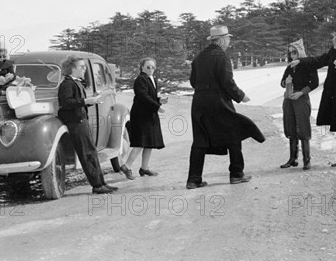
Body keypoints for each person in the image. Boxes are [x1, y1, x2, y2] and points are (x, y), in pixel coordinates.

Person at [186, 25, 266, 189]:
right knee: (233, 134)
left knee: (200, 140)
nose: (229, 41)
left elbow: (193, 82)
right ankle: (236, 174)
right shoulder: (222, 56)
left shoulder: (199, 57)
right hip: (218, 101)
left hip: (199, 102)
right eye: (228, 38)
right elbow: (227, 82)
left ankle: (193, 180)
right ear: (221, 40)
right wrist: (241, 95)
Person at [291, 30, 336, 169]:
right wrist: (300, 61)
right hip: (335, 94)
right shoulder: (333, 53)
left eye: (335, 40)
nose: (333, 42)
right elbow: (318, 60)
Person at [57, 55, 118, 194]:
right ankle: (97, 185)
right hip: (76, 123)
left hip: (81, 121)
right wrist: (86, 101)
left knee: (91, 152)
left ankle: (101, 183)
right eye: (82, 66)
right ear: (72, 68)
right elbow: (66, 103)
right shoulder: (66, 84)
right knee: (86, 154)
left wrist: (89, 100)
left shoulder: (75, 82)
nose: (84, 69)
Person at [120, 57, 167, 180]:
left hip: (149, 115)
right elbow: (143, 97)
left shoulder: (152, 79)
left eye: (153, 67)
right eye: (148, 67)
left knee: (149, 143)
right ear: (141, 67)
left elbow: (150, 96)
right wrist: (157, 107)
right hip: (141, 116)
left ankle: (144, 168)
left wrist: (159, 101)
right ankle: (126, 166)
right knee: (141, 143)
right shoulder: (140, 79)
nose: (151, 69)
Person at [279, 39, 319, 170]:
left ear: (300, 52)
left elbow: (314, 83)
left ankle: (307, 160)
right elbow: (282, 83)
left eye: (294, 52)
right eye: (290, 53)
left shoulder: (309, 65)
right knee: (290, 126)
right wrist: (286, 81)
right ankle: (293, 158)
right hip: (289, 98)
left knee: (303, 127)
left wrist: (301, 93)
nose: (292, 55)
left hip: (301, 98)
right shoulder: (290, 66)